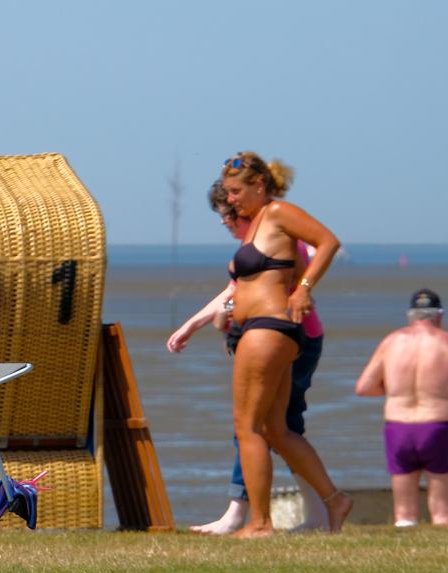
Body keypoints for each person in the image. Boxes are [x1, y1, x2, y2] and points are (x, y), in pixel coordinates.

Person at [168, 181, 329, 534]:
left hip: (285, 337)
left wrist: (200, 323)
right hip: (275, 336)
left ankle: (257, 514)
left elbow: (272, 284)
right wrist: (192, 325)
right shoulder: (257, 237)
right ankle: (316, 509)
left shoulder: (278, 231)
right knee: (269, 428)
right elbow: (236, 291)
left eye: (228, 215)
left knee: (265, 428)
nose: (226, 222)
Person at [218, 151, 351, 537]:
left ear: (258, 186)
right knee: (275, 429)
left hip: (268, 328)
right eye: (228, 193)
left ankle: (260, 523)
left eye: (235, 191)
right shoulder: (260, 220)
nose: (231, 200)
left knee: (248, 427)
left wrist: (303, 290)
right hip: (263, 329)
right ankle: (336, 501)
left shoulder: (278, 212)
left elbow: (327, 241)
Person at [355, 288, 448, 526]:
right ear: (439, 315)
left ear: (411, 316)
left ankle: (406, 537)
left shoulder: (391, 342)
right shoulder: (444, 343)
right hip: (437, 425)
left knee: (404, 511)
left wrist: (397, 392)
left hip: (398, 426)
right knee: (442, 510)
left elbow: (364, 387)